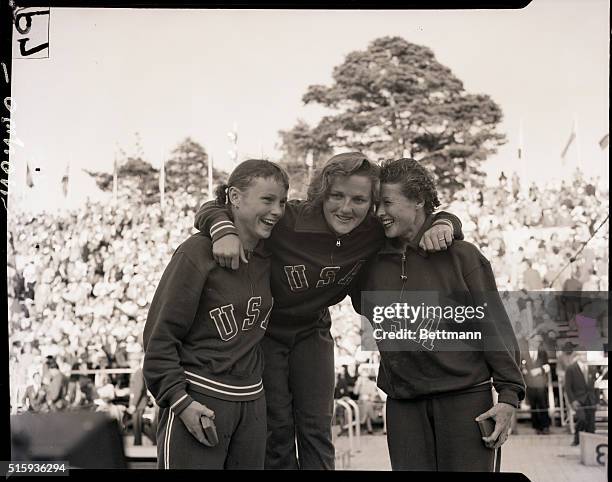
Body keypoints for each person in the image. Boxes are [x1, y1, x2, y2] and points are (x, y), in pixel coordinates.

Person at [193, 152, 463, 469]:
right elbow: (215, 206)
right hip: (268, 334)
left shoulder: (373, 230)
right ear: (322, 192)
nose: (346, 208)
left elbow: (425, 219)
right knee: (276, 429)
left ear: (373, 203)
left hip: (312, 331)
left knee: (318, 428)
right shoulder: (290, 220)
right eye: (336, 195)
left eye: (359, 199)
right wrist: (222, 229)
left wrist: (446, 223)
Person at [351, 158, 525, 471]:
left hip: (466, 401)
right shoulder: (369, 262)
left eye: (388, 203)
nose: (379, 213)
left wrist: (509, 396)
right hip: (403, 405)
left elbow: (494, 328)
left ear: (418, 200)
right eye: (377, 204)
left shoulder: (462, 256)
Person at [143, 159, 289, 469]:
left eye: (282, 202)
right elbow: (159, 338)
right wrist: (180, 403)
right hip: (199, 398)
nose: (277, 210)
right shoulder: (195, 253)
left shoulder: (270, 253)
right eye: (267, 200)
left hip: (252, 402)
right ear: (235, 198)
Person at [564, 351, 598, 446]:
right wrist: (572, 400)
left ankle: (591, 442)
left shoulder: (592, 368)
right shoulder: (571, 369)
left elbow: (596, 386)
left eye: (586, 354)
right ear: (577, 356)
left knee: (591, 422)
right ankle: (577, 438)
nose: (585, 356)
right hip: (578, 399)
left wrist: (597, 401)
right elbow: (568, 387)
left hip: (590, 399)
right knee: (582, 419)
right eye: (582, 354)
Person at [520, 334, 551, 435]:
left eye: (539, 341)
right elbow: (520, 366)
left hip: (541, 383)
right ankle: (536, 426)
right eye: (535, 341)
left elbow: (548, 367)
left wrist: (539, 370)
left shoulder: (542, 353)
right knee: (533, 405)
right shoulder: (524, 353)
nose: (537, 343)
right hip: (529, 383)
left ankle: (545, 426)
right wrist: (523, 370)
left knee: (543, 404)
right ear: (530, 341)